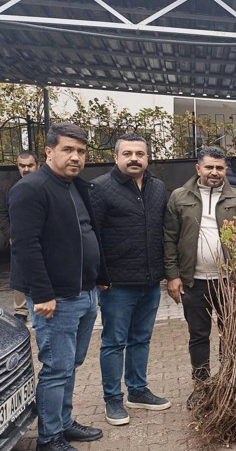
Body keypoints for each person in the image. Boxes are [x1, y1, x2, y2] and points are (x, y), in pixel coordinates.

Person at [9, 123, 107, 451]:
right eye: (68, 149)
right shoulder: (31, 189)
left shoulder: (77, 187)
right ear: (49, 151)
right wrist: (43, 294)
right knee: (56, 368)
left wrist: (99, 278)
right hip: (57, 300)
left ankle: (64, 422)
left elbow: (88, 234)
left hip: (85, 292)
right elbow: (25, 246)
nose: (75, 157)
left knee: (70, 365)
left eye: (81, 151)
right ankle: (49, 438)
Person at [90, 133, 170, 426]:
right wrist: (100, 275)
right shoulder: (100, 188)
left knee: (141, 339)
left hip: (150, 282)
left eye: (140, 153)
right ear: (116, 158)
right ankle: (113, 398)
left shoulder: (158, 187)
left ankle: (137, 390)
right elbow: (93, 235)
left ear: (148, 158)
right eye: (128, 154)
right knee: (113, 342)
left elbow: (163, 230)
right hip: (117, 285)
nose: (134, 158)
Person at [164, 146, 236, 408]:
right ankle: (201, 387)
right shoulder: (179, 197)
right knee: (199, 335)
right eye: (210, 167)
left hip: (229, 283)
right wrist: (172, 275)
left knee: (231, 334)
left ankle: (227, 383)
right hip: (194, 281)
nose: (215, 172)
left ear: (226, 170)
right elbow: (169, 238)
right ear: (198, 168)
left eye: (220, 168)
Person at [0, 149, 40, 322]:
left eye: (30, 165)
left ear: (38, 165)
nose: (26, 169)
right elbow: (2, 214)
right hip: (18, 236)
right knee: (19, 270)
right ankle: (21, 311)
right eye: (22, 166)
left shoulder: (47, 183)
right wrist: (10, 234)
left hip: (44, 234)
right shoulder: (7, 187)